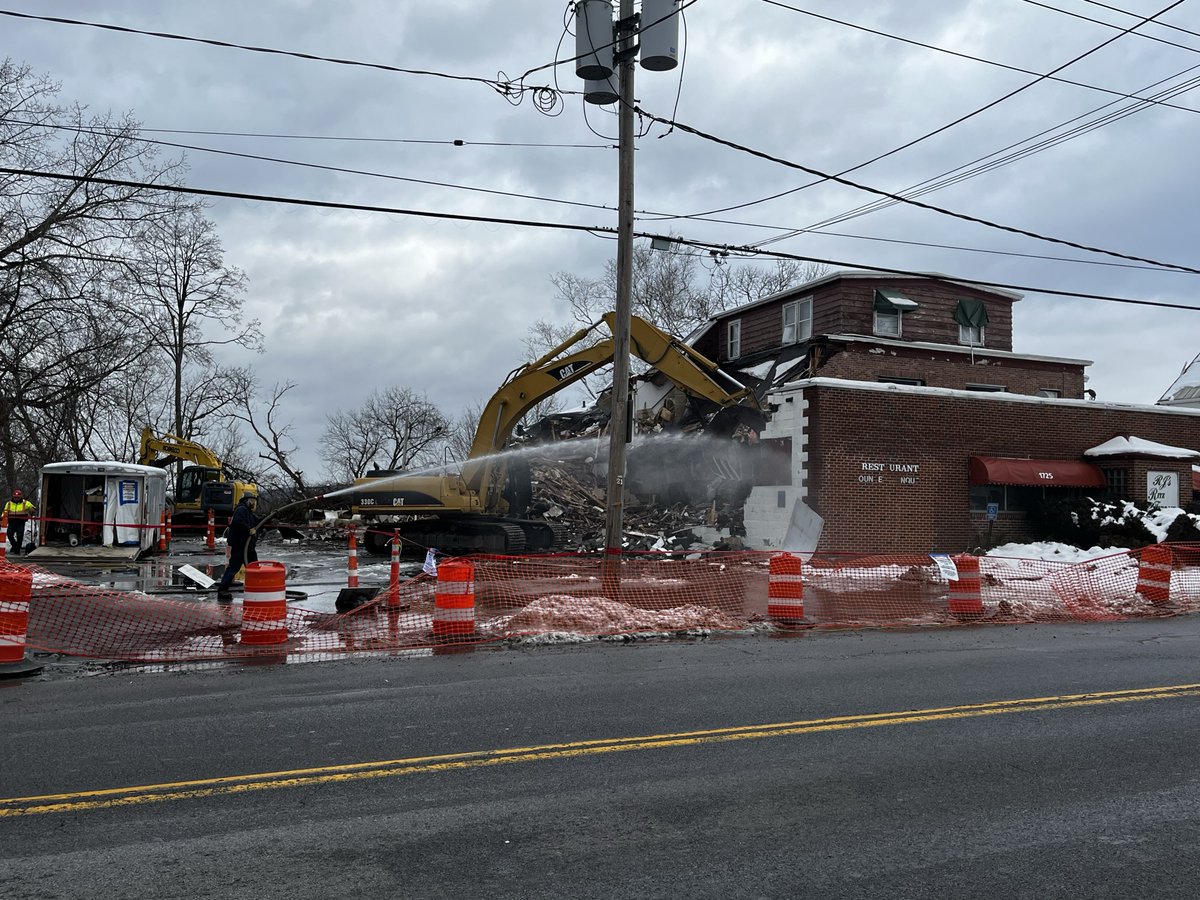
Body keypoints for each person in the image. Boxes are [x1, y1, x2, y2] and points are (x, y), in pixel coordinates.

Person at [216, 495, 261, 599]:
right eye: (253, 501)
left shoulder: (248, 512)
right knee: (234, 567)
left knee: (253, 566)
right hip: (240, 545)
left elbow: (257, 520)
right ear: (248, 501)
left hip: (247, 546)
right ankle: (222, 590)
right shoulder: (241, 509)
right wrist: (249, 529)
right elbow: (238, 522)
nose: (254, 504)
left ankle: (257, 587)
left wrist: (270, 518)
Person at [4, 489, 36, 555]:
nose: (16, 499)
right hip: (12, 522)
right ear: (13, 497)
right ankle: (15, 546)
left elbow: (32, 508)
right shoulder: (9, 503)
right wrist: (2, 518)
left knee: (20, 536)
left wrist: (32, 511)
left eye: (17, 497)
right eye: (15, 497)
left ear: (20, 497)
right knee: (9, 534)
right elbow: (5, 512)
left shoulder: (25, 503)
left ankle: (17, 550)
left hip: (20, 523)